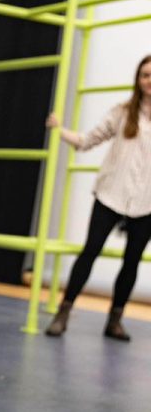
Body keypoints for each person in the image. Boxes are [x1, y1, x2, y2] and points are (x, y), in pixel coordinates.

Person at [46, 54, 151, 340]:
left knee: (132, 261)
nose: (149, 80)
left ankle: (115, 320)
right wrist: (60, 130)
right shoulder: (121, 113)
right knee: (90, 250)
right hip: (110, 195)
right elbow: (87, 140)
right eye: (145, 75)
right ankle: (63, 312)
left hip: (146, 203)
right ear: (138, 80)